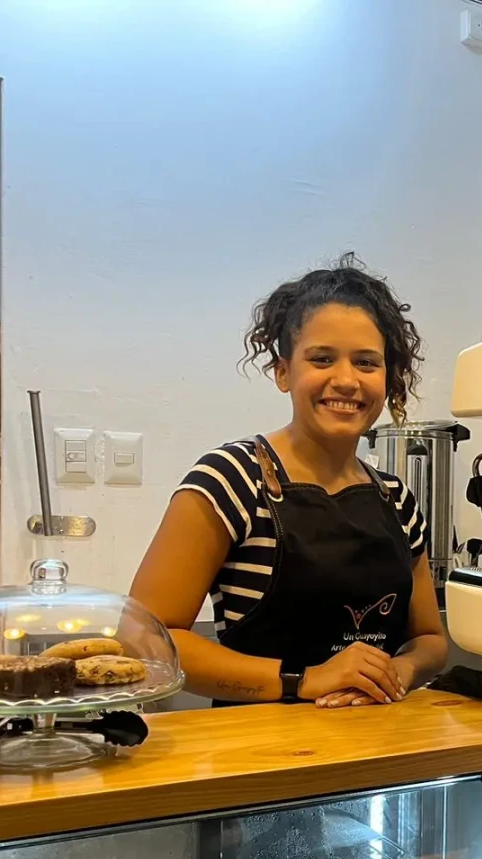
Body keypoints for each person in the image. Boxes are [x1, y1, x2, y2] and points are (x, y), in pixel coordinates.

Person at [132, 256, 448, 708]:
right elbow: (146, 641)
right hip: (261, 747)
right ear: (284, 372)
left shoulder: (396, 500)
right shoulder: (230, 480)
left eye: (366, 362)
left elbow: (430, 641)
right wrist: (301, 680)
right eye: (322, 359)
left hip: (378, 740)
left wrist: (398, 671)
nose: (346, 380)